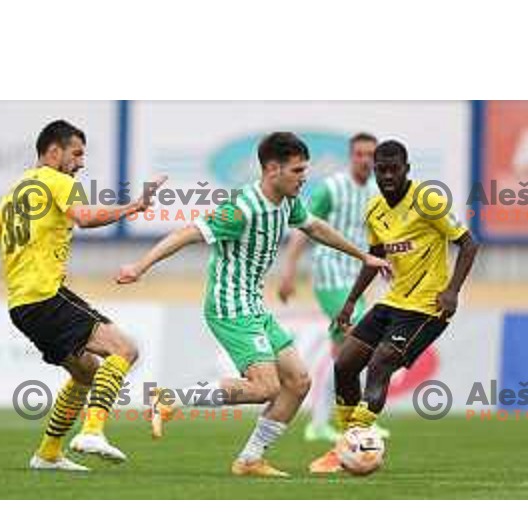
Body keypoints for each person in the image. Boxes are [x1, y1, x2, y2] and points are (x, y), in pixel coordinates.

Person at [116, 132, 391, 478]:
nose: (304, 177)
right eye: (297, 170)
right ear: (273, 169)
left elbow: (316, 228)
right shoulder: (241, 209)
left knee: (298, 381)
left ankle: (250, 459)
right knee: (266, 387)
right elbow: (186, 233)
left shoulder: (288, 202)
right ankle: (172, 398)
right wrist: (140, 266)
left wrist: (363, 255)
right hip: (229, 305)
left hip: (254, 306)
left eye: (305, 169)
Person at [0, 120, 165, 471]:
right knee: (126, 349)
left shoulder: (13, 196)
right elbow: (84, 218)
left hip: (22, 308)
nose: (81, 163)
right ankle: (92, 431)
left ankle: (49, 453)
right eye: (77, 153)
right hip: (46, 297)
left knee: (87, 373)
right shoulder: (57, 181)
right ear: (53, 151)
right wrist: (133, 207)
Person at [309, 139, 479, 474]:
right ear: (375, 170)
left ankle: (346, 446)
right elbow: (376, 259)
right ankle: (349, 445)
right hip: (392, 302)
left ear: (407, 169)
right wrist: (351, 302)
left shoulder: (427, 200)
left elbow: (468, 243)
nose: (387, 175)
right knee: (344, 365)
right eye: (381, 169)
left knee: (380, 364)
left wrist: (452, 290)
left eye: (393, 169)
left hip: (427, 307)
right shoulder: (374, 209)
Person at [279, 132, 391, 442]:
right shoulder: (332, 188)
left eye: (371, 155)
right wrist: (288, 269)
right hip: (329, 273)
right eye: (360, 154)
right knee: (357, 336)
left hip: (357, 276)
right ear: (350, 156)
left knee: (346, 352)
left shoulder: (376, 191)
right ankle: (352, 423)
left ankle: (323, 423)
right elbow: (305, 227)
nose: (366, 160)